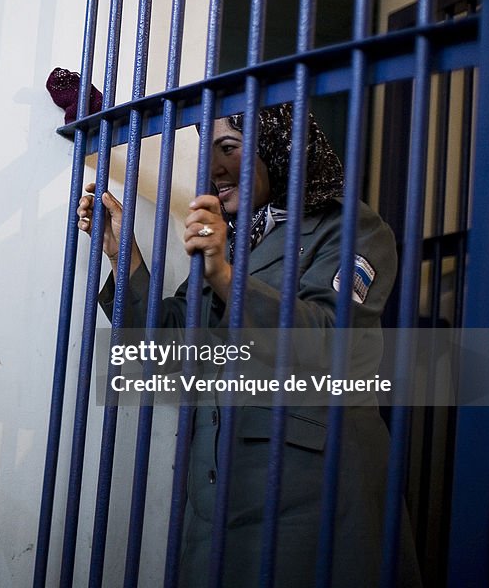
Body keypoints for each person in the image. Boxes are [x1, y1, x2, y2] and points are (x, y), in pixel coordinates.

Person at [77, 104, 421, 586]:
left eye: (230, 148)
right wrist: (124, 254)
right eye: (208, 150)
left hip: (313, 497)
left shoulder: (351, 229)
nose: (214, 167)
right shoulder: (231, 237)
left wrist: (225, 276)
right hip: (216, 497)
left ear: (280, 149)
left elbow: (327, 342)